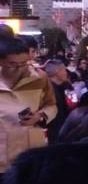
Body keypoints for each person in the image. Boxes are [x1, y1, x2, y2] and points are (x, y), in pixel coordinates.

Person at [0, 35, 57, 170]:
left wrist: (41, 116)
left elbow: (51, 105)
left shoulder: (39, 78)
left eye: (24, 63)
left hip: (30, 154)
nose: (20, 69)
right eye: (13, 64)